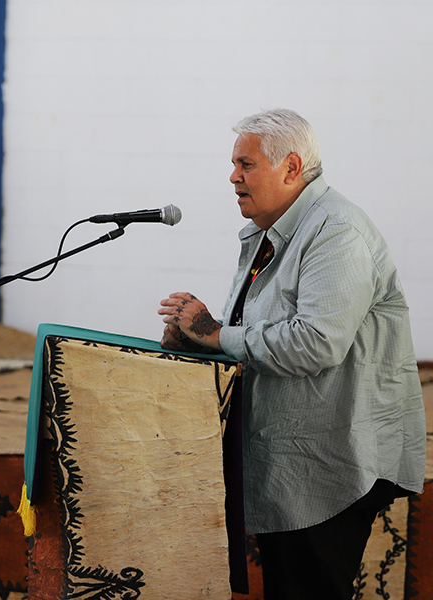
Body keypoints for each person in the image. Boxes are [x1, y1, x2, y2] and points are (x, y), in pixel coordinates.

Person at [157, 108, 425, 599]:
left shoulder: (335, 232)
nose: (233, 176)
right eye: (234, 164)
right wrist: (196, 339)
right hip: (291, 459)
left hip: (330, 461)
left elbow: (314, 343)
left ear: (292, 167)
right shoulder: (273, 231)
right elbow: (257, 334)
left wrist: (215, 333)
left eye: (246, 164)